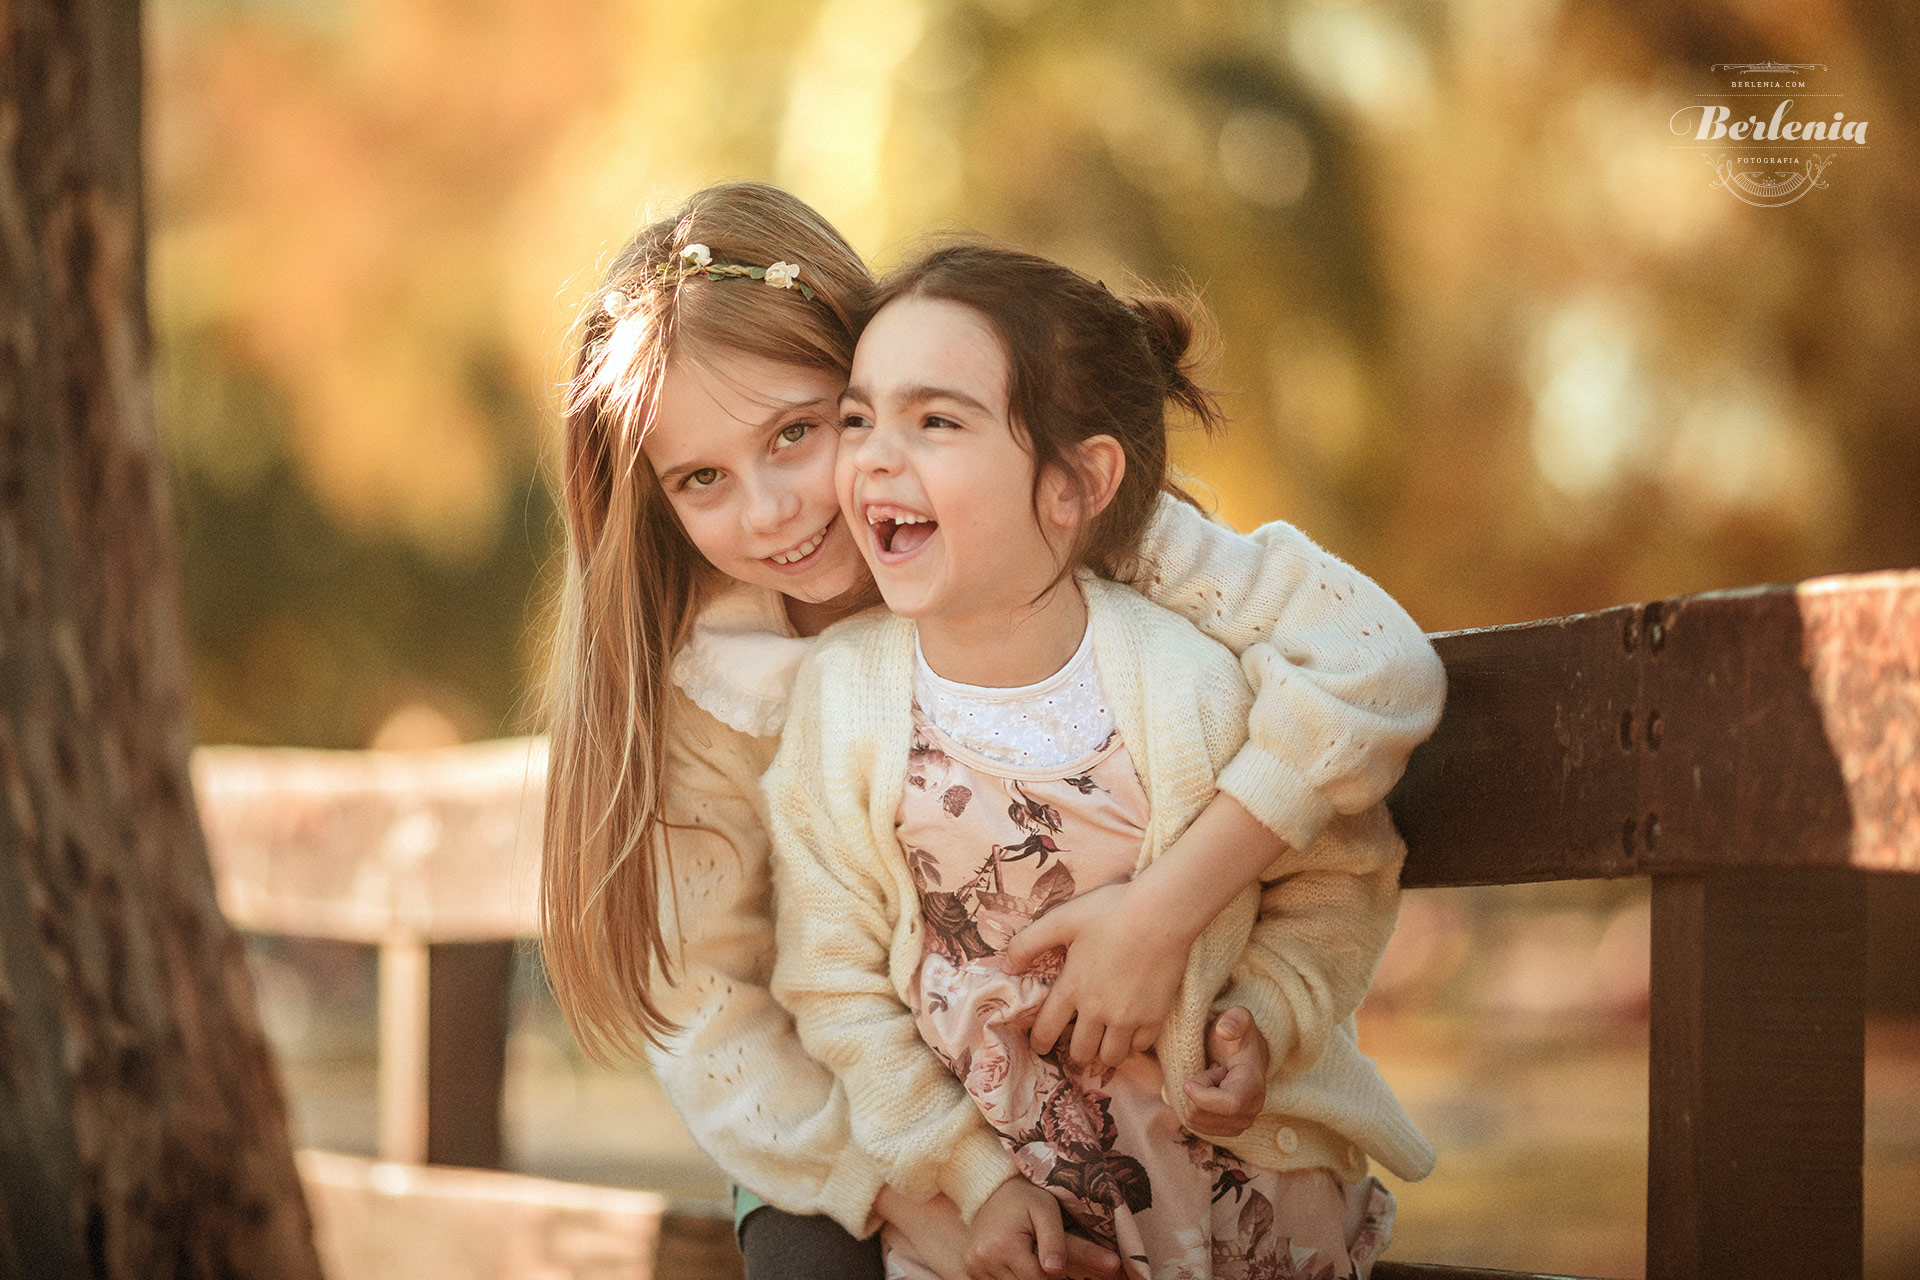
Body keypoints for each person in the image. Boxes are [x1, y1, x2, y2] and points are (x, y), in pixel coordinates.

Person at [539, 183, 1446, 1280]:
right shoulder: (712, 691)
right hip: (853, 1134)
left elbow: (1365, 665)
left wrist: (1166, 913)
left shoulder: (1069, 518)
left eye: (798, 429)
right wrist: (924, 1201)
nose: (775, 506)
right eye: (702, 477)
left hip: (1159, 1127)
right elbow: (716, 1020)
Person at [765, 243, 1436, 1280]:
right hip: (1002, 1238)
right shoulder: (842, 701)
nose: (874, 460)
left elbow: (1335, 879)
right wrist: (973, 1181)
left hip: (1241, 1226)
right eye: (858, 418)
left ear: (1078, 481)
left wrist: (1262, 1015)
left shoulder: (1195, 685)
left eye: (936, 420)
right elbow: (834, 985)